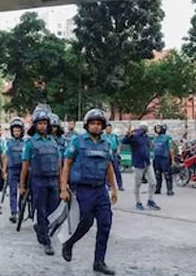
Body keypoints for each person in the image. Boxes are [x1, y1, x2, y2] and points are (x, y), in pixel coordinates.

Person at [60, 109, 118, 275]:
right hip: (83, 189)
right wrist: (63, 188)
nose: (96, 126)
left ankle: (99, 262)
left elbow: (109, 167)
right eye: (92, 123)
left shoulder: (106, 144)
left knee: (105, 224)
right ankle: (69, 243)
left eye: (99, 124)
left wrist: (113, 189)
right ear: (87, 125)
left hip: (101, 190)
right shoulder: (77, 141)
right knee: (86, 221)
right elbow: (67, 165)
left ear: (103, 126)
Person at [20, 109, 60, 256]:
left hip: (53, 180)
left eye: (45, 123)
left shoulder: (53, 141)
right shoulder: (30, 143)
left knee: (53, 210)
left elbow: (59, 163)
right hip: (38, 181)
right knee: (41, 211)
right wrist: (22, 185)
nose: (43, 126)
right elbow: (25, 165)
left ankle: (40, 227)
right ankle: (46, 241)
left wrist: (62, 183)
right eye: (40, 123)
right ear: (35, 125)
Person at [122, 123, 161, 211]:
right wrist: (127, 135)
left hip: (147, 162)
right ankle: (138, 202)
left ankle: (150, 200)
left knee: (153, 182)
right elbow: (124, 141)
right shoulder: (135, 136)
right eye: (144, 127)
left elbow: (149, 146)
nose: (145, 129)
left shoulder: (146, 137)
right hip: (138, 164)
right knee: (138, 184)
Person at [5, 118, 26, 223]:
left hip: (23, 170)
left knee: (23, 191)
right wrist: (4, 171)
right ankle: (14, 212)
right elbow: (5, 156)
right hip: (12, 170)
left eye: (18, 130)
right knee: (13, 191)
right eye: (15, 131)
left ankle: (21, 210)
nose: (16, 133)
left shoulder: (26, 143)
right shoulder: (9, 143)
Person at [153, 123, 175, 196]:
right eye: (156, 128)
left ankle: (169, 190)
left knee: (167, 175)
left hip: (165, 158)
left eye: (159, 128)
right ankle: (158, 189)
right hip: (157, 158)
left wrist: (173, 159)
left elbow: (171, 149)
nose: (157, 130)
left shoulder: (168, 138)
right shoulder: (156, 138)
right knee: (157, 174)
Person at [104, 123, 124, 191]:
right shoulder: (103, 137)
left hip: (114, 153)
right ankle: (108, 185)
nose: (108, 129)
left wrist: (118, 151)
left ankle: (120, 185)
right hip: (107, 154)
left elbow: (119, 144)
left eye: (109, 128)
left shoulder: (114, 136)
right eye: (107, 128)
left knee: (117, 170)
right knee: (107, 171)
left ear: (111, 129)